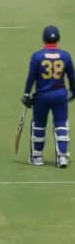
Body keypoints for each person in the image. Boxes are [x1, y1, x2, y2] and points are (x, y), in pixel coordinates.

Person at [22, 25, 75, 168]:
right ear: (58, 39)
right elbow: (72, 77)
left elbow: (31, 77)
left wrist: (26, 94)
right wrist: (73, 92)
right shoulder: (65, 56)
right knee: (61, 124)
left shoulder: (37, 56)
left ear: (43, 39)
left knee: (39, 125)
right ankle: (63, 157)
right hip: (60, 95)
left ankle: (37, 156)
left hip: (42, 96)